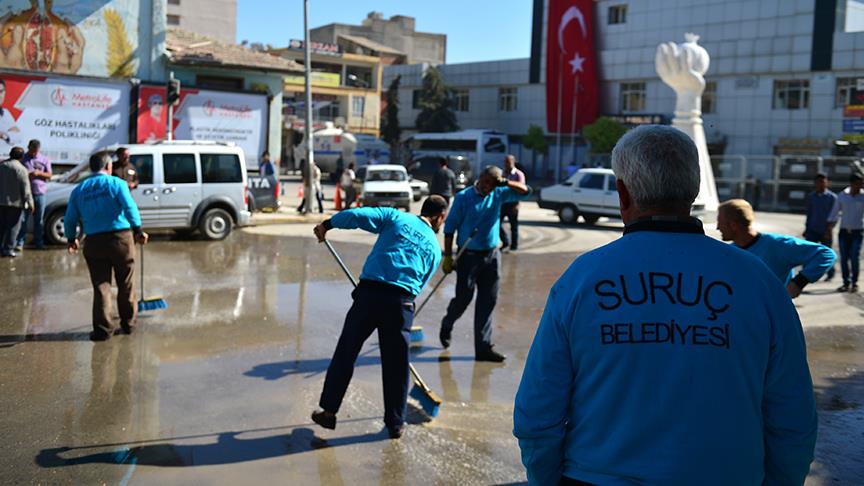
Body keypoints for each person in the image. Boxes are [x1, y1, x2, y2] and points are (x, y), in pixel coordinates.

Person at [514, 125, 816, 485]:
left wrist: (545, 479)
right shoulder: (761, 282)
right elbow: (793, 418)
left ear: (622, 193)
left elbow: (537, 412)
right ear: (692, 189)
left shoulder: (581, 280)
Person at [310, 196, 448, 439]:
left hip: (369, 295)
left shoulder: (396, 216)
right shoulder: (435, 250)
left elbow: (358, 216)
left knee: (346, 352)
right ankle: (396, 423)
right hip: (401, 303)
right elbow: (419, 286)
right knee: (396, 365)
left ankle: (328, 412)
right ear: (440, 217)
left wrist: (328, 225)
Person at [439, 165, 531, 362]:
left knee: (487, 301)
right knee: (463, 299)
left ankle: (483, 348)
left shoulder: (498, 193)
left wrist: (504, 183)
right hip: (468, 256)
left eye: (493, 184)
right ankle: (447, 323)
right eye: (487, 183)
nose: (489, 188)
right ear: (480, 178)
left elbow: (526, 191)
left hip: (491, 255)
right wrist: (448, 256)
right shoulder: (464, 197)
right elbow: (449, 228)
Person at [65, 152, 149, 342]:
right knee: (125, 283)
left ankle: (103, 330)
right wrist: (138, 230)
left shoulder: (79, 190)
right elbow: (130, 208)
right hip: (121, 240)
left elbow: (70, 218)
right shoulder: (117, 184)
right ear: (108, 166)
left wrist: (71, 238)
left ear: (91, 168)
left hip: (94, 241)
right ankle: (128, 324)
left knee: (101, 286)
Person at [717, 199, 835, 298]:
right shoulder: (729, 252)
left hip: (773, 318)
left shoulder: (777, 245)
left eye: (720, 222)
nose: (717, 227)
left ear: (733, 225)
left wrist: (799, 282)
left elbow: (826, 254)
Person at [827, 173, 864, 292]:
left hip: (857, 232)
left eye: (861, 184)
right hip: (844, 232)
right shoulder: (843, 196)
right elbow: (835, 212)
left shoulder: (863, 196)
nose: (859, 186)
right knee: (843, 258)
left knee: (854, 256)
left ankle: (854, 282)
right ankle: (845, 282)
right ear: (852, 184)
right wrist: (830, 227)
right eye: (857, 184)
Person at [16, 139, 52, 250]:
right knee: (23, 220)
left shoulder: (44, 159)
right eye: (32, 150)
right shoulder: (23, 158)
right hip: (26, 194)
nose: (33, 153)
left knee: (38, 220)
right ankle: (20, 243)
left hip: (40, 193)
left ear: (38, 149)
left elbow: (50, 174)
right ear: (28, 147)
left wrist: (39, 173)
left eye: (35, 151)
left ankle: (39, 243)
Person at [803, 173, 837, 281]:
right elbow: (809, 213)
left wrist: (829, 229)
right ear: (815, 183)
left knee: (827, 253)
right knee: (809, 253)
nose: (821, 184)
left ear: (827, 182)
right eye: (818, 182)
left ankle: (830, 273)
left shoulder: (832, 198)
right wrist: (807, 228)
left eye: (823, 181)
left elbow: (835, 216)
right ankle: (805, 275)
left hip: (826, 230)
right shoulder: (812, 197)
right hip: (812, 230)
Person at [0, 147, 32, 257]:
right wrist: (30, 204)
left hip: (1, 203)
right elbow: (26, 190)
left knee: (2, 226)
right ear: (22, 157)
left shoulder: (2, 166)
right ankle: (8, 249)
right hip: (15, 204)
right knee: (13, 228)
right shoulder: (21, 169)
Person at [499, 155, 526, 252]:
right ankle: (505, 241)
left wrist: (518, 204)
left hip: (513, 204)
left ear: (513, 162)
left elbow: (522, 189)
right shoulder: (502, 174)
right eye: (505, 162)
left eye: (508, 162)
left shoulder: (518, 174)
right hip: (502, 203)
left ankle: (514, 246)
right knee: (497, 224)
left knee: (513, 226)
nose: (506, 164)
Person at [0, 79, 21, 148]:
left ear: (4, 92)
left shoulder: (6, 113)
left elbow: (19, 136)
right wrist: (9, 133)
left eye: (1, 91)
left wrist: (4, 135)